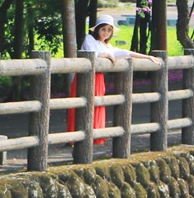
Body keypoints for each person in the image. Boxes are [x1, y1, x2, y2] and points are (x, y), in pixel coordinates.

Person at [67, 14, 162, 144]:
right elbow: (91, 53)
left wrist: (147, 57)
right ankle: (76, 138)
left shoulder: (109, 47)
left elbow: (125, 52)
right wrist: (106, 55)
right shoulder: (89, 39)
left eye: (109, 30)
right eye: (103, 29)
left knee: (97, 104)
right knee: (82, 105)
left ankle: (95, 136)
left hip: (98, 78)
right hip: (84, 77)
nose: (106, 32)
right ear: (97, 30)